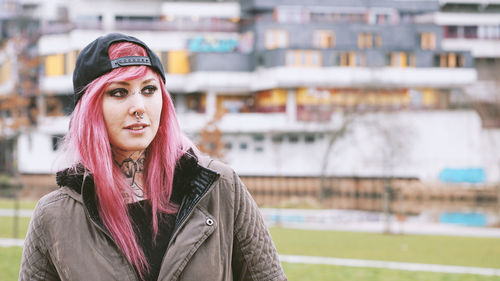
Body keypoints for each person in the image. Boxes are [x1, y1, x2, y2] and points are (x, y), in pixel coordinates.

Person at [19, 33, 287, 281]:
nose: (139, 107)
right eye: (119, 92)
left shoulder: (221, 188)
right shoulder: (54, 217)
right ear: (90, 110)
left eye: (148, 90)